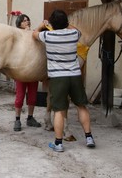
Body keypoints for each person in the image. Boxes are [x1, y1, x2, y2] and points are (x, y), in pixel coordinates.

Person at [33, 9, 95, 152]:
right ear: (66, 22)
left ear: (52, 23)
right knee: (81, 106)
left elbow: (34, 34)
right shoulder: (74, 34)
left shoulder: (48, 35)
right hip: (74, 75)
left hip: (58, 78)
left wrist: (42, 24)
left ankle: (58, 143)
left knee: (59, 111)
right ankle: (89, 137)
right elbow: (76, 29)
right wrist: (67, 24)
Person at [13, 14, 41, 131]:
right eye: (24, 21)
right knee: (19, 97)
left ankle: (30, 118)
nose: (27, 22)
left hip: (33, 68)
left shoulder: (33, 33)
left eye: (28, 20)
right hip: (21, 70)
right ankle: (17, 119)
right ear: (19, 23)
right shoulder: (16, 35)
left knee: (33, 97)